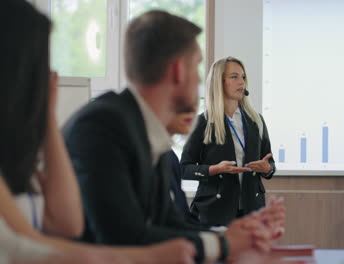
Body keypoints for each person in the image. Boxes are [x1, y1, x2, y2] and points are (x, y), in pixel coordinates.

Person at [63, 10, 273, 263]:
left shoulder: (150, 134)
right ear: (178, 70)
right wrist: (224, 243)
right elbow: (123, 237)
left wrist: (233, 235)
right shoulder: (102, 127)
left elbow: (171, 224)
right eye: (196, 67)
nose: (199, 80)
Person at [0, 1, 196, 263]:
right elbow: (32, 246)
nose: (48, 75)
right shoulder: (103, 124)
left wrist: (47, 115)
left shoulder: (20, 155)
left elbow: (68, 223)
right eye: (38, 64)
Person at [180, 56, 276, 226]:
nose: (242, 82)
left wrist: (267, 168)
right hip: (214, 211)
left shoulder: (256, 121)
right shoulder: (203, 122)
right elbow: (184, 169)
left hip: (252, 210)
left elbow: (270, 165)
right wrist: (213, 169)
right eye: (234, 77)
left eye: (243, 77)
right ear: (219, 82)